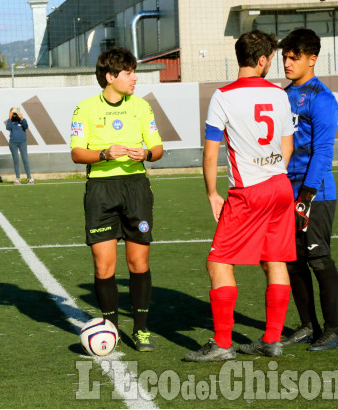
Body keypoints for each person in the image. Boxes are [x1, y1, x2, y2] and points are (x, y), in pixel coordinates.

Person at [183, 30, 296, 363]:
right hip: (280, 185)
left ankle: (222, 343)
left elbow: (209, 153)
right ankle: (272, 340)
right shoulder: (279, 94)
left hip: (249, 191)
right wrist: (274, 172)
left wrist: (212, 193)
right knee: (275, 260)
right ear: (262, 60)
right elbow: (288, 144)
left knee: (218, 262)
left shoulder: (223, 96)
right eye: (272, 58)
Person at [70, 47, 163, 351]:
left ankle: (141, 330)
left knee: (138, 262)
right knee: (104, 267)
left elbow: (157, 149)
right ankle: (110, 327)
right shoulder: (84, 108)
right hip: (101, 191)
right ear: (110, 76)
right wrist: (104, 154)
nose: (135, 78)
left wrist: (146, 153)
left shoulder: (141, 107)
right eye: (129, 73)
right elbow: (76, 153)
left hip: (136, 187)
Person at [278, 28, 338, 351]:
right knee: (292, 261)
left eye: (294, 57)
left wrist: (305, 196)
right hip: (284, 191)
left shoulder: (322, 98)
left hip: (314, 193)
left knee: (318, 259)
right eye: (285, 57)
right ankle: (307, 325)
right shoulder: (283, 94)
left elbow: (323, 152)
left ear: (312, 59)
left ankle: (333, 330)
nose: (287, 63)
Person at [6, 107, 34, 184]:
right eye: (13, 112)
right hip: (13, 142)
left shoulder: (22, 120)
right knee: (16, 160)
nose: (15, 114)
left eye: (16, 112)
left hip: (22, 142)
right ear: (10, 113)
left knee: (25, 159)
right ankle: (18, 178)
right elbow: (8, 128)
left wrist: (21, 119)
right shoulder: (10, 121)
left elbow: (26, 126)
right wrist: (10, 118)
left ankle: (29, 178)